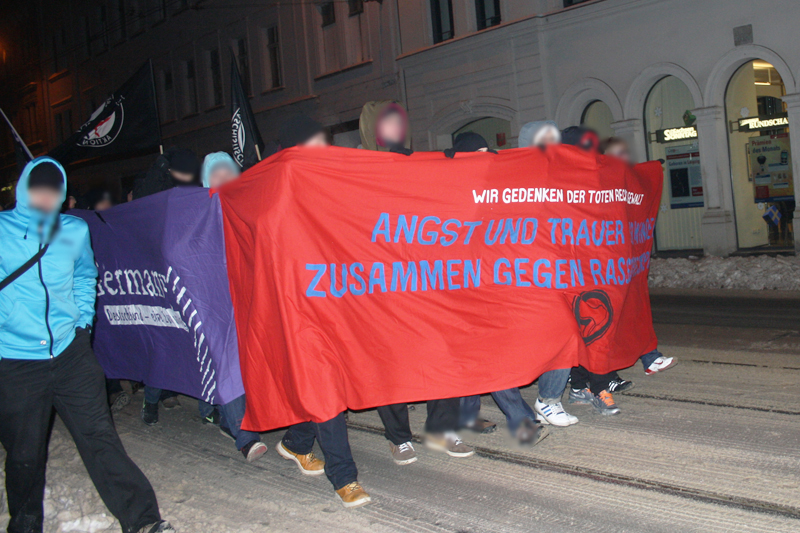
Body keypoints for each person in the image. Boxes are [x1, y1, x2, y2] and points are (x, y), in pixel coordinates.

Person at [0, 157, 174, 533]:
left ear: (62, 194)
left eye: (53, 191)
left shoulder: (74, 231)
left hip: (70, 354)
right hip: (16, 361)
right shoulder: (1, 231)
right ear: (24, 189)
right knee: (25, 454)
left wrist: (82, 326)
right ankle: (25, 525)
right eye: (38, 189)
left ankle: (143, 520)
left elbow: (85, 276)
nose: (45, 197)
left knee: (100, 439)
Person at [359, 101, 472, 464]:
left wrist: (469, 158)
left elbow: (442, 173)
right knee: (389, 363)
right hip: (379, 286)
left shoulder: (416, 162)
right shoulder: (352, 170)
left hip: (423, 280)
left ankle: (442, 430)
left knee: (442, 352)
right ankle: (399, 436)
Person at [272, 115, 372, 508]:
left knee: (328, 385)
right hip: (297, 307)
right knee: (326, 388)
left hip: (335, 300)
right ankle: (344, 477)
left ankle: (296, 441)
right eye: (315, 143)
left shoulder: (327, 180)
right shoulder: (276, 186)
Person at [516, 121, 579, 427]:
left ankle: (549, 399)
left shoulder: (559, 177)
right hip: (511, 277)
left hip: (549, 274)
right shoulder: (505, 177)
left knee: (564, 332)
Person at [598, 136, 677, 382]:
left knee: (634, 309)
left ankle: (649, 357)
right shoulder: (596, 183)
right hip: (603, 265)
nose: (624, 158)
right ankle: (603, 374)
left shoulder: (626, 182)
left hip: (625, 263)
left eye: (625, 153)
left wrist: (650, 170)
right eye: (617, 154)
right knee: (610, 319)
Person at [134, 148, 201, 425]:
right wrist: (159, 168)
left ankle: (203, 403)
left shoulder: (195, 193)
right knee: (163, 343)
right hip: (161, 278)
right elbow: (141, 201)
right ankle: (151, 400)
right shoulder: (159, 194)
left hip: (190, 276)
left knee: (193, 342)